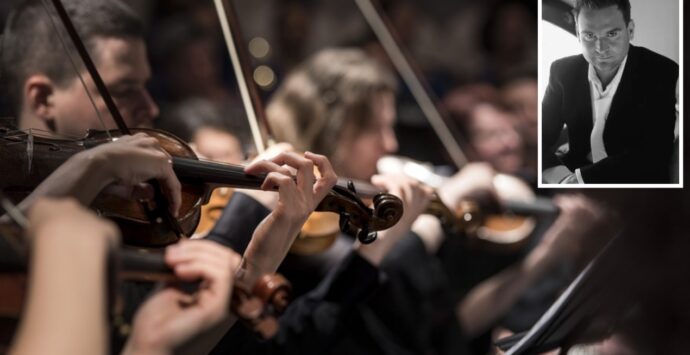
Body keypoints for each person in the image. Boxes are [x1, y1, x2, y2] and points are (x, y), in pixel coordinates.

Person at [541, 0, 678, 184]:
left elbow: (652, 155)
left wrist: (581, 179)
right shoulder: (561, 71)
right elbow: (538, 136)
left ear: (630, 30)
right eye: (589, 35)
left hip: (637, 186)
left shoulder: (662, 72)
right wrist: (561, 176)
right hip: (573, 175)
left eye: (612, 34)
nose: (600, 48)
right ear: (578, 34)